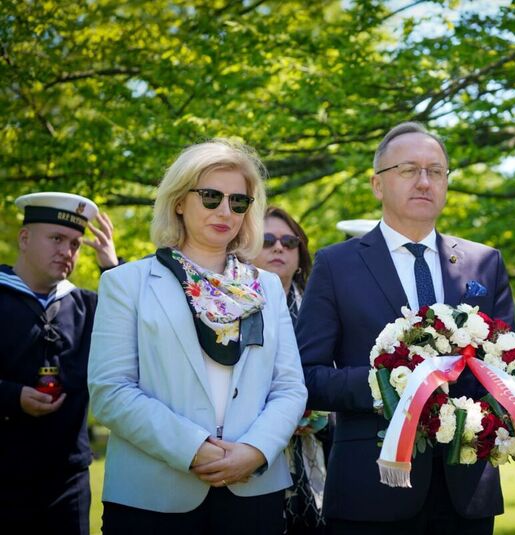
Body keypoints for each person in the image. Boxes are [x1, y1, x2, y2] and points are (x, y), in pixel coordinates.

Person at [297, 122, 515, 534]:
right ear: (378, 185)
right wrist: (390, 385)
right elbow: (308, 376)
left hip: (466, 490)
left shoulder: (485, 263)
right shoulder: (335, 265)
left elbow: (507, 368)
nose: (424, 181)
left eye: (436, 171)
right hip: (371, 489)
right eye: (408, 170)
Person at [88, 139, 307, 534]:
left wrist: (255, 450)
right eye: (210, 196)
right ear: (178, 201)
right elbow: (111, 391)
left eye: (239, 201)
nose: (226, 211)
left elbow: (290, 387)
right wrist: (192, 449)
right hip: (151, 497)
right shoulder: (125, 283)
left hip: (254, 492)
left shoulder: (267, 287)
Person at [0, 192, 119, 535]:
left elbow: (144, 331)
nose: (67, 252)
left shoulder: (87, 306)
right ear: (24, 238)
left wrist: (112, 269)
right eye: (56, 238)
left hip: (67, 481)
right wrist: (11, 396)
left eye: (75, 243)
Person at [254, 206, 327, 534]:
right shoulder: (227, 307)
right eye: (267, 239)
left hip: (319, 449)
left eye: (289, 241)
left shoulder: (324, 308)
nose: (278, 247)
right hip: (253, 450)